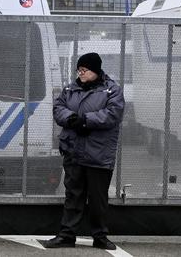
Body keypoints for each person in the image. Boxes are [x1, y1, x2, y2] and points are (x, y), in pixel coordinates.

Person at [44, 52, 124, 251]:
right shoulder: (71, 89)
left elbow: (112, 115)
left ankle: (100, 236)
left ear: (95, 71)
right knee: (73, 196)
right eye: (79, 70)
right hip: (74, 152)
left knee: (98, 199)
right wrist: (71, 119)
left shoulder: (111, 90)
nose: (80, 73)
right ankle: (66, 235)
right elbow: (58, 107)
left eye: (84, 70)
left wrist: (85, 121)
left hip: (98, 154)